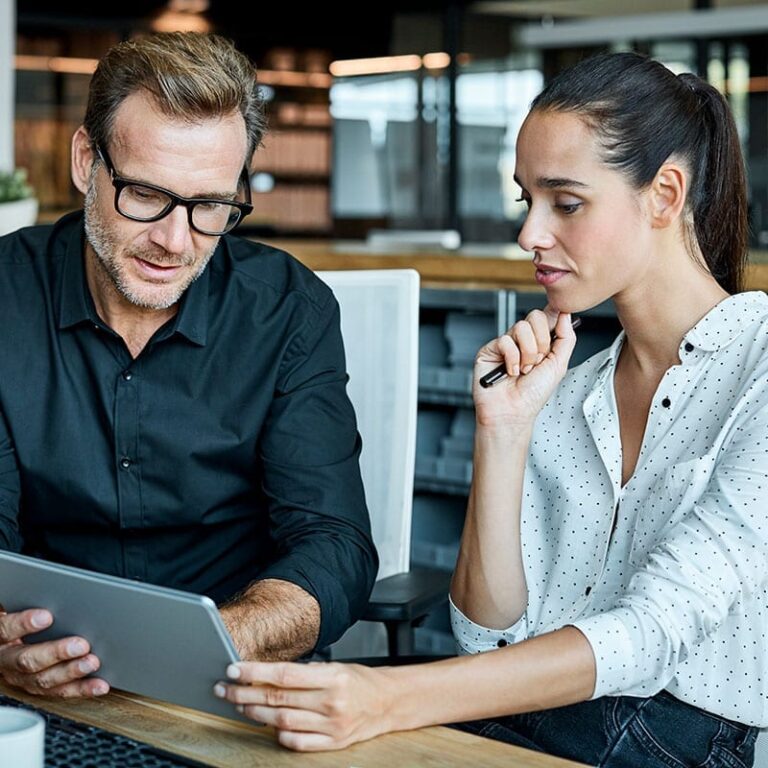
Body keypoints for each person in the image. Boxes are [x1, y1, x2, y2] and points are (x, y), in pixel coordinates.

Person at [216, 51, 767, 766]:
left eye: (565, 203)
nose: (529, 235)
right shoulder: (571, 388)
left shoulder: (758, 369)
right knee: (267, 736)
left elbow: (654, 633)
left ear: (664, 194)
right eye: (526, 201)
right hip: (539, 714)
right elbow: (487, 637)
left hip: (672, 741)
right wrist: (501, 433)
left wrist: (389, 699)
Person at [0, 32, 377, 699]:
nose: (175, 242)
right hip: (38, 690)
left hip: (235, 683)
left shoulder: (288, 310)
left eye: (210, 207)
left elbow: (333, 547)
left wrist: (213, 644)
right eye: (146, 195)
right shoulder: (5, 298)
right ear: (87, 161)